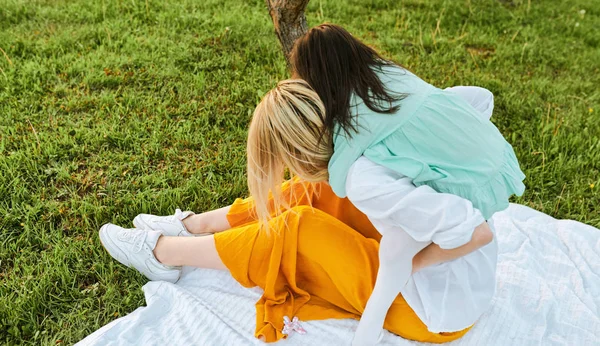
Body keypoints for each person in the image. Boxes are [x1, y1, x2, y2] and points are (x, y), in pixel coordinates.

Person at [100, 78, 510, 344]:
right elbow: (479, 99)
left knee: (299, 227)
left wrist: (412, 263)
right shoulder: (373, 135)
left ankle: (162, 253)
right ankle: (195, 226)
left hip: (435, 309)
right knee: (316, 190)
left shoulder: (372, 172)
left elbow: (474, 230)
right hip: (446, 275)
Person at [288, 24, 526, 344]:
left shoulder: (352, 115)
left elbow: (343, 168)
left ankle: (372, 321)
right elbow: (480, 99)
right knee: (399, 240)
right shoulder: (389, 75)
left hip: (448, 276)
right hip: (490, 162)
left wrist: (417, 263)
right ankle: (375, 314)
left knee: (396, 244)